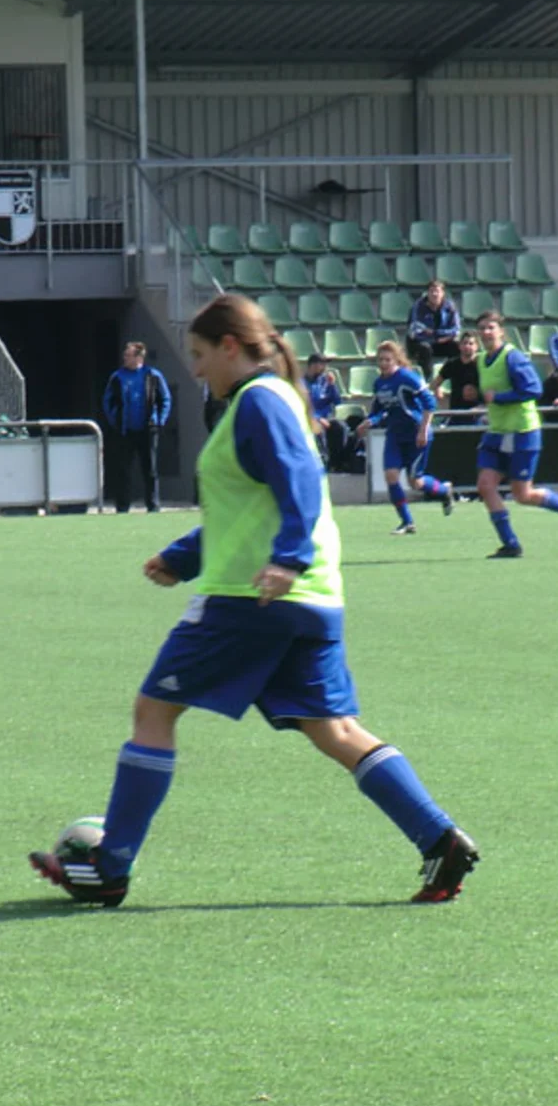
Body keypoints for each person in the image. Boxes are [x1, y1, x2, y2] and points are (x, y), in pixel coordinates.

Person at [28, 293, 478, 908]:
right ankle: (439, 838)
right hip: (312, 596)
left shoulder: (258, 402)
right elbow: (249, 505)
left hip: (253, 596)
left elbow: (295, 483)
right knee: (335, 729)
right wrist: (185, 556)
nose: (195, 369)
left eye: (199, 354)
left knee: (153, 712)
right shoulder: (274, 401)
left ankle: (110, 866)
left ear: (231, 348)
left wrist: (286, 558)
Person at [474, 311, 558, 558]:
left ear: (501, 331)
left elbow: (533, 389)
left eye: (490, 327)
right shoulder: (482, 359)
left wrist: (500, 398)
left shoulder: (512, 357)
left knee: (523, 494)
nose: (486, 332)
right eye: (482, 328)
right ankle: (511, 544)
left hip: (522, 432)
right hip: (497, 432)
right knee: (485, 486)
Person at [351, 339, 454, 535]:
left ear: (396, 360)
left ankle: (444, 491)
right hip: (395, 435)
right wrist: (369, 421)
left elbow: (430, 403)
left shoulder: (408, 378)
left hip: (415, 434)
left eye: (387, 360)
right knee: (391, 475)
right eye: (380, 360)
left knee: (416, 482)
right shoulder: (379, 383)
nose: (383, 364)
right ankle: (407, 521)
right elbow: (380, 410)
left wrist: (423, 429)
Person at [102, 342, 172, 513]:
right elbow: (107, 401)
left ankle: (153, 505)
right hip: (125, 431)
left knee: (150, 469)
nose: (125, 358)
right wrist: (115, 421)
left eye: (128, 355)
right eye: (125, 355)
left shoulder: (153, 375)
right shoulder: (117, 377)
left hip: (148, 430)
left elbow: (165, 400)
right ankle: (123, 507)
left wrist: (159, 421)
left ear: (139, 357)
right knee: (123, 469)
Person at [302, 352, 351, 474]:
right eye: (322, 364)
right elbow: (302, 406)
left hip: (326, 417)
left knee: (341, 427)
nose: (325, 368)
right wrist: (317, 418)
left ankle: (339, 462)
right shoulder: (301, 382)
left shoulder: (325, 381)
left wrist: (332, 385)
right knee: (319, 430)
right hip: (309, 418)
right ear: (312, 365)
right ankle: (324, 461)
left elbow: (337, 402)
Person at [406, 278, 460, 375]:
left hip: (440, 341)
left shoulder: (450, 307)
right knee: (424, 348)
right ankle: (427, 379)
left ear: (443, 293)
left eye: (437, 291)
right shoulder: (418, 307)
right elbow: (416, 331)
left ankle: (453, 376)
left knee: (457, 346)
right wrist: (437, 338)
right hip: (420, 343)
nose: (434, 294)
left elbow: (455, 329)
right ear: (427, 293)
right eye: (431, 291)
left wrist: (436, 333)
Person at [436, 331, 483, 416]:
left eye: (471, 343)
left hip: (478, 412)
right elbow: (435, 384)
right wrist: (441, 397)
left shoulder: (482, 363)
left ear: (477, 346)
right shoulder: (452, 364)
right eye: (464, 343)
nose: (467, 346)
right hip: (455, 411)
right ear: (459, 346)